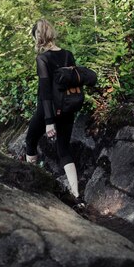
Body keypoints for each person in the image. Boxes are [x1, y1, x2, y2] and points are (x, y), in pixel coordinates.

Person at [25, 19, 84, 207]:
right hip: (67, 108)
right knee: (64, 149)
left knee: (30, 140)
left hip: (47, 110)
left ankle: (29, 185)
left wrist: (49, 121)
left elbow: (45, 91)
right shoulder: (68, 55)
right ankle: (76, 195)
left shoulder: (42, 59)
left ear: (39, 36)